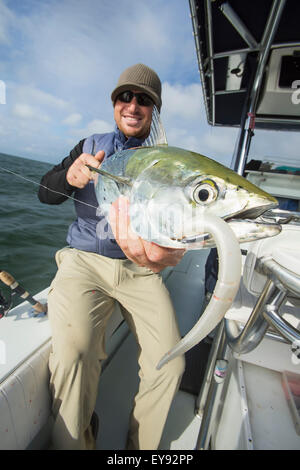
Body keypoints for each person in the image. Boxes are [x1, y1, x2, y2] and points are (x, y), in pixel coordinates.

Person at [38, 63, 186, 450]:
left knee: (172, 362)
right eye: (126, 96)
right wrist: (69, 176)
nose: (133, 105)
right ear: (114, 103)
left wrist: (175, 247)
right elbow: (44, 191)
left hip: (140, 268)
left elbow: (179, 222)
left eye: (144, 100)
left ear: (153, 111)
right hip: (84, 261)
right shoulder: (88, 145)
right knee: (74, 352)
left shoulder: (165, 164)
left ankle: (141, 451)